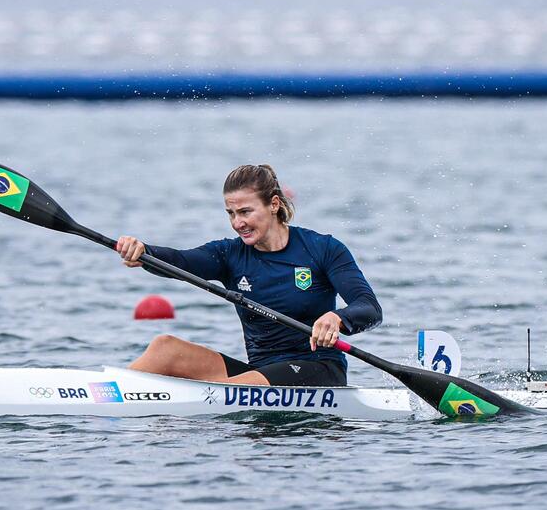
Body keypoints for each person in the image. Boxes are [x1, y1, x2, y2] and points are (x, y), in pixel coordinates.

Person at [115, 164, 381, 387]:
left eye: (245, 212)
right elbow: (180, 261)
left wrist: (337, 318)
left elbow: (369, 308)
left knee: (236, 388)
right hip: (260, 372)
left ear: (274, 204)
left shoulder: (323, 249)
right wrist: (144, 252)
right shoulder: (229, 254)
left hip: (318, 369)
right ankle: (110, 396)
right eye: (231, 213)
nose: (237, 223)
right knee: (164, 347)